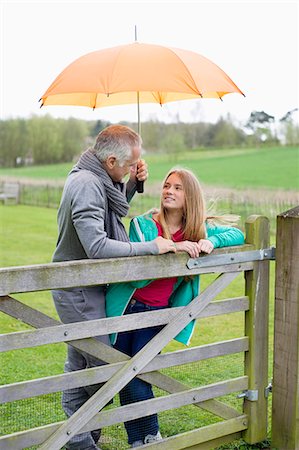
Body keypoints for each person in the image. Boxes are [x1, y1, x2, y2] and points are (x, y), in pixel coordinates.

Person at [51, 125, 175, 450]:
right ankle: (78, 436)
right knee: (103, 365)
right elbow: (97, 246)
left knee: (82, 364)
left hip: (89, 288)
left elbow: (111, 209)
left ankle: (80, 436)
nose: (133, 167)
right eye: (129, 164)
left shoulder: (95, 178)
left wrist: (134, 183)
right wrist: (151, 246)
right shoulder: (87, 185)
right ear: (109, 161)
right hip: (77, 291)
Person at [106, 167, 245, 448]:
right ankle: (88, 434)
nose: (169, 191)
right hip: (126, 309)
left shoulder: (198, 229)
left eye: (177, 188)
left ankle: (145, 438)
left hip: (159, 315)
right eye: (167, 185)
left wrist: (210, 241)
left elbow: (236, 234)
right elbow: (140, 276)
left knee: (136, 373)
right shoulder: (143, 225)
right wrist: (171, 247)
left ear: (190, 195)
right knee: (110, 374)